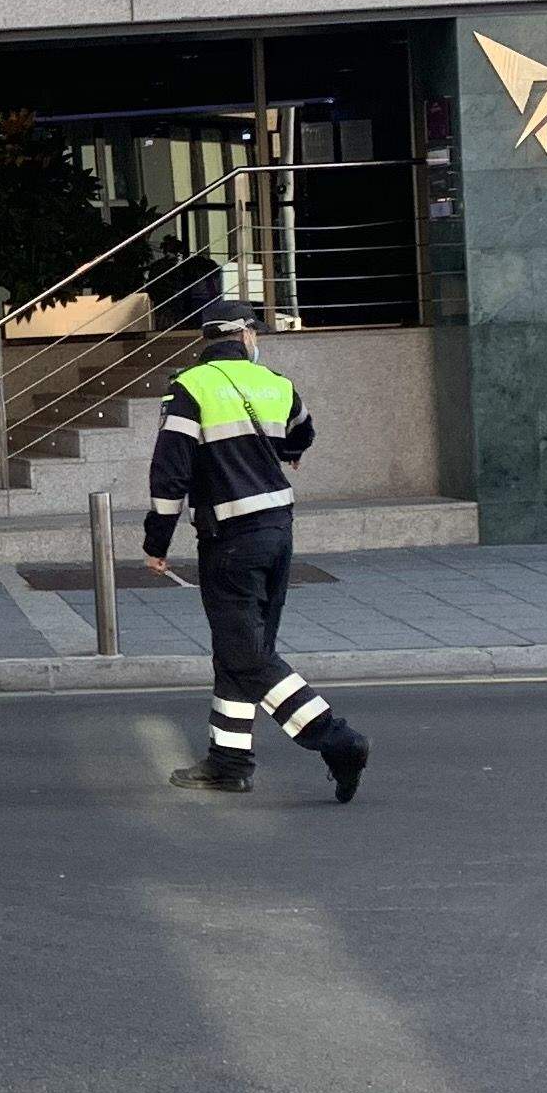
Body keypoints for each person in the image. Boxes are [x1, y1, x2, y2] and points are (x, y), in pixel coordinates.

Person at [142, 300, 367, 803]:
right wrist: (287, 454)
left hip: (229, 540)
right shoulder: (277, 383)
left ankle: (337, 739)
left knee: (247, 655)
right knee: (237, 652)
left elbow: (170, 475)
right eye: (254, 332)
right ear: (244, 336)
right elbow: (302, 434)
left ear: (208, 341)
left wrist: (156, 541)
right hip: (278, 532)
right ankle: (228, 763)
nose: (256, 339)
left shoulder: (189, 388)